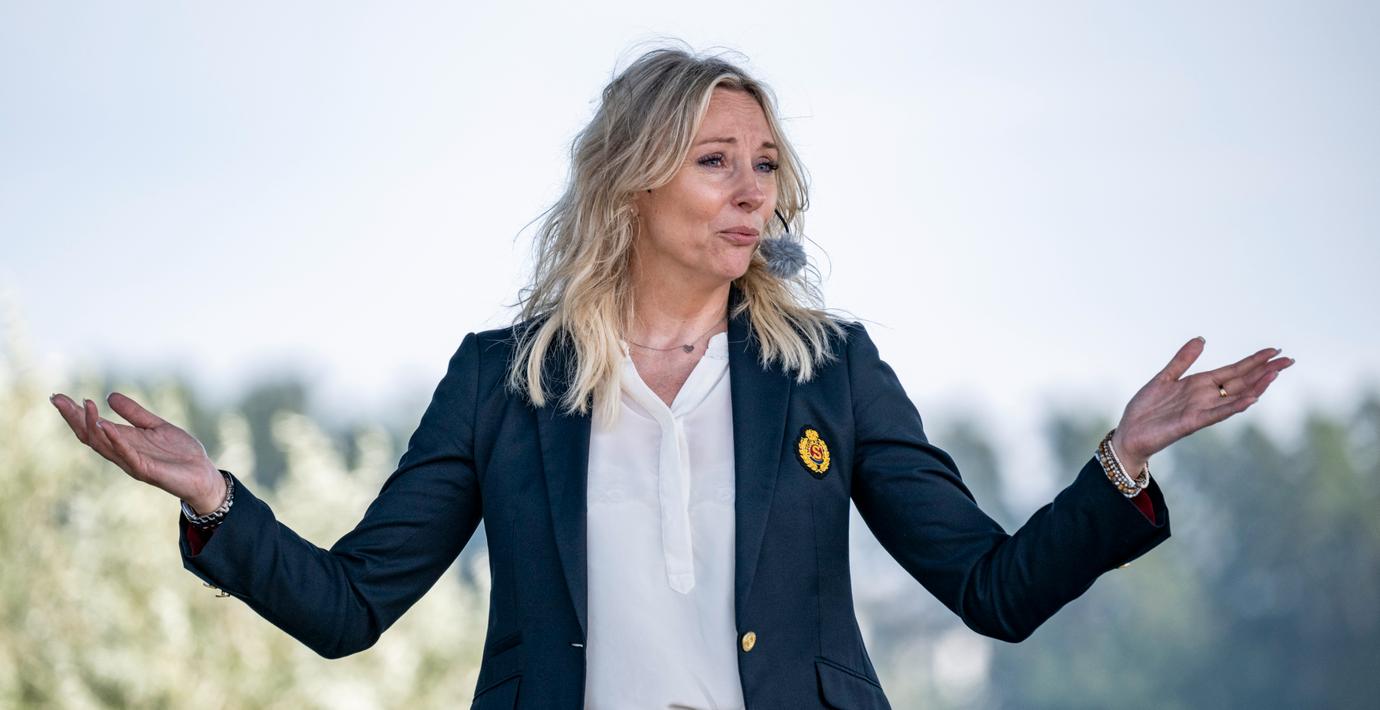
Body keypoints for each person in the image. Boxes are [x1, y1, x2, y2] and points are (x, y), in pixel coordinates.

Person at [51, 45, 1293, 710]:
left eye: (766, 163)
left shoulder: (832, 371)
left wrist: (1122, 460)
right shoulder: (503, 381)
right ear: (635, 182)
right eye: (714, 160)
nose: (752, 189)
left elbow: (992, 587)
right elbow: (350, 604)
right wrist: (214, 497)